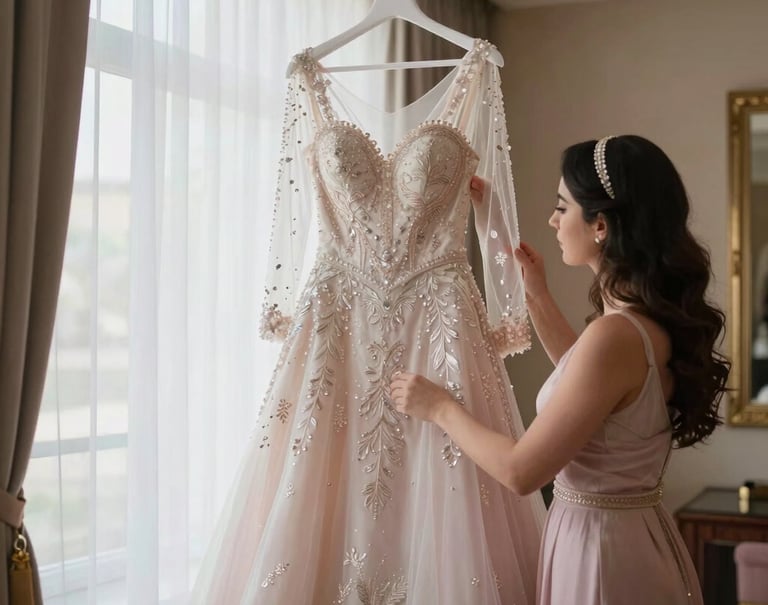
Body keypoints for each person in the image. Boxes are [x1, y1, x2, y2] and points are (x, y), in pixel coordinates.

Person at [391, 135, 730, 605]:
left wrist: (441, 408)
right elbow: (590, 390)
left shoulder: (615, 337)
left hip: (601, 552)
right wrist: (536, 292)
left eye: (562, 207)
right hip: (628, 534)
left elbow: (520, 471)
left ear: (601, 226)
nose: (552, 219)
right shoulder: (640, 325)